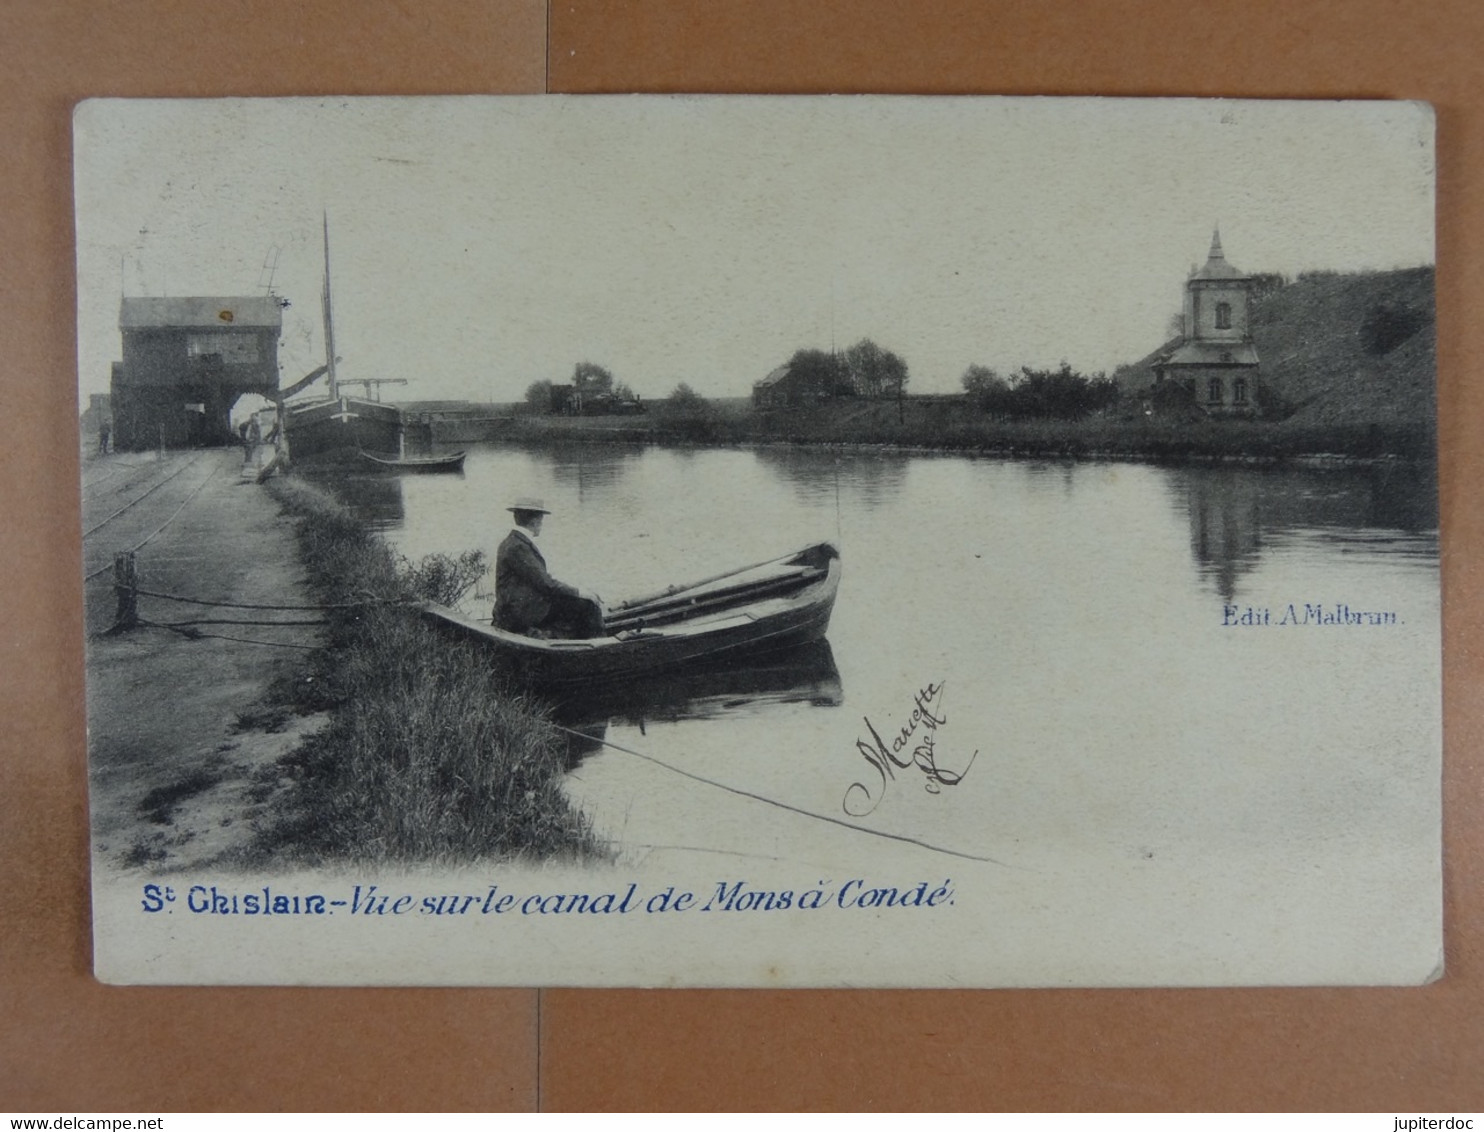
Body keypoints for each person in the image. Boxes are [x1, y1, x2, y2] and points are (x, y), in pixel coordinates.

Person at [493, 497, 604, 639]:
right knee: (588, 605)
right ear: (535, 521)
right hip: (520, 612)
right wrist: (580, 592)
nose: (541, 524)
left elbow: (539, 580)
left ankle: (564, 639)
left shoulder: (512, 542)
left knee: (572, 602)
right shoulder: (518, 547)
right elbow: (546, 584)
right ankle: (599, 648)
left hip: (517, 607)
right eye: (541, 520)